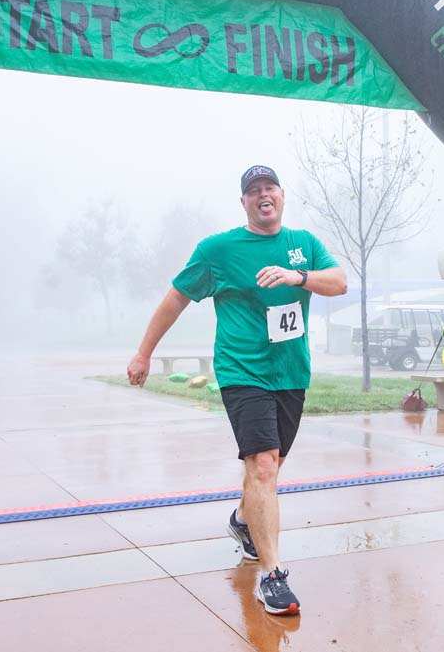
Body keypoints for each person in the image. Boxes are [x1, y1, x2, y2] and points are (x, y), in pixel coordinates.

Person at [127, 165, 346, 616]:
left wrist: (296, 277)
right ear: (243, 203)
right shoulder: (218, 250)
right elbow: (175, 299)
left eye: (269, 189)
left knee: (271, 467)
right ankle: (273, 577)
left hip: (292, 373)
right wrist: (144, 353)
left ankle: (244, 520)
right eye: (253, 192)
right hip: (243, 372)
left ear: (282, 196)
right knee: (263, 466)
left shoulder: (304, 245)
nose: (263, 196)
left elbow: (339, 282)